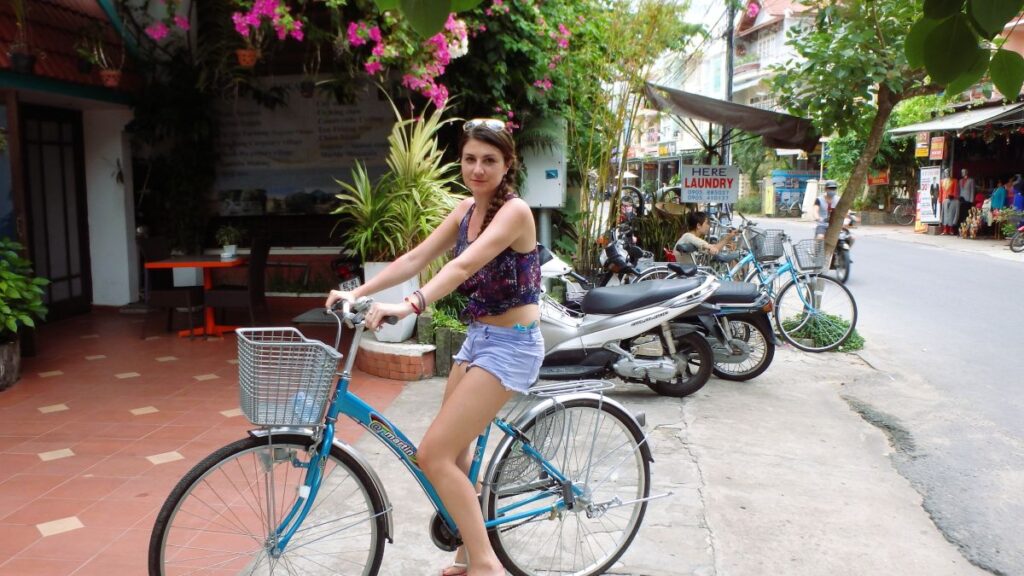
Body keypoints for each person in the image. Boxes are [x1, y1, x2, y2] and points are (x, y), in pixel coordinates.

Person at [326, 118, 543, 576]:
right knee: (458, 454)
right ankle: (469, 551)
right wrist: (360, 294)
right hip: (479, 338)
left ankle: (486, 565)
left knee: (434, 455)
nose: (478, 169)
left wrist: (410, 304)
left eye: (489, 160)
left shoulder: (516, 212)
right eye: (470, 159)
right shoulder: (465, 210)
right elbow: (414, 257)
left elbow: (464, 265)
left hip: (513, 346)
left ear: (507, 165)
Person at [673, 210, 739, 265]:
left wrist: (729, 237)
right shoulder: (688, 236)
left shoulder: (693, 239)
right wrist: (709, 247)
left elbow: (714, 248)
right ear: (698, 225)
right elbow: (701, 244)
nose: (709, 226)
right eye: (707, 223)